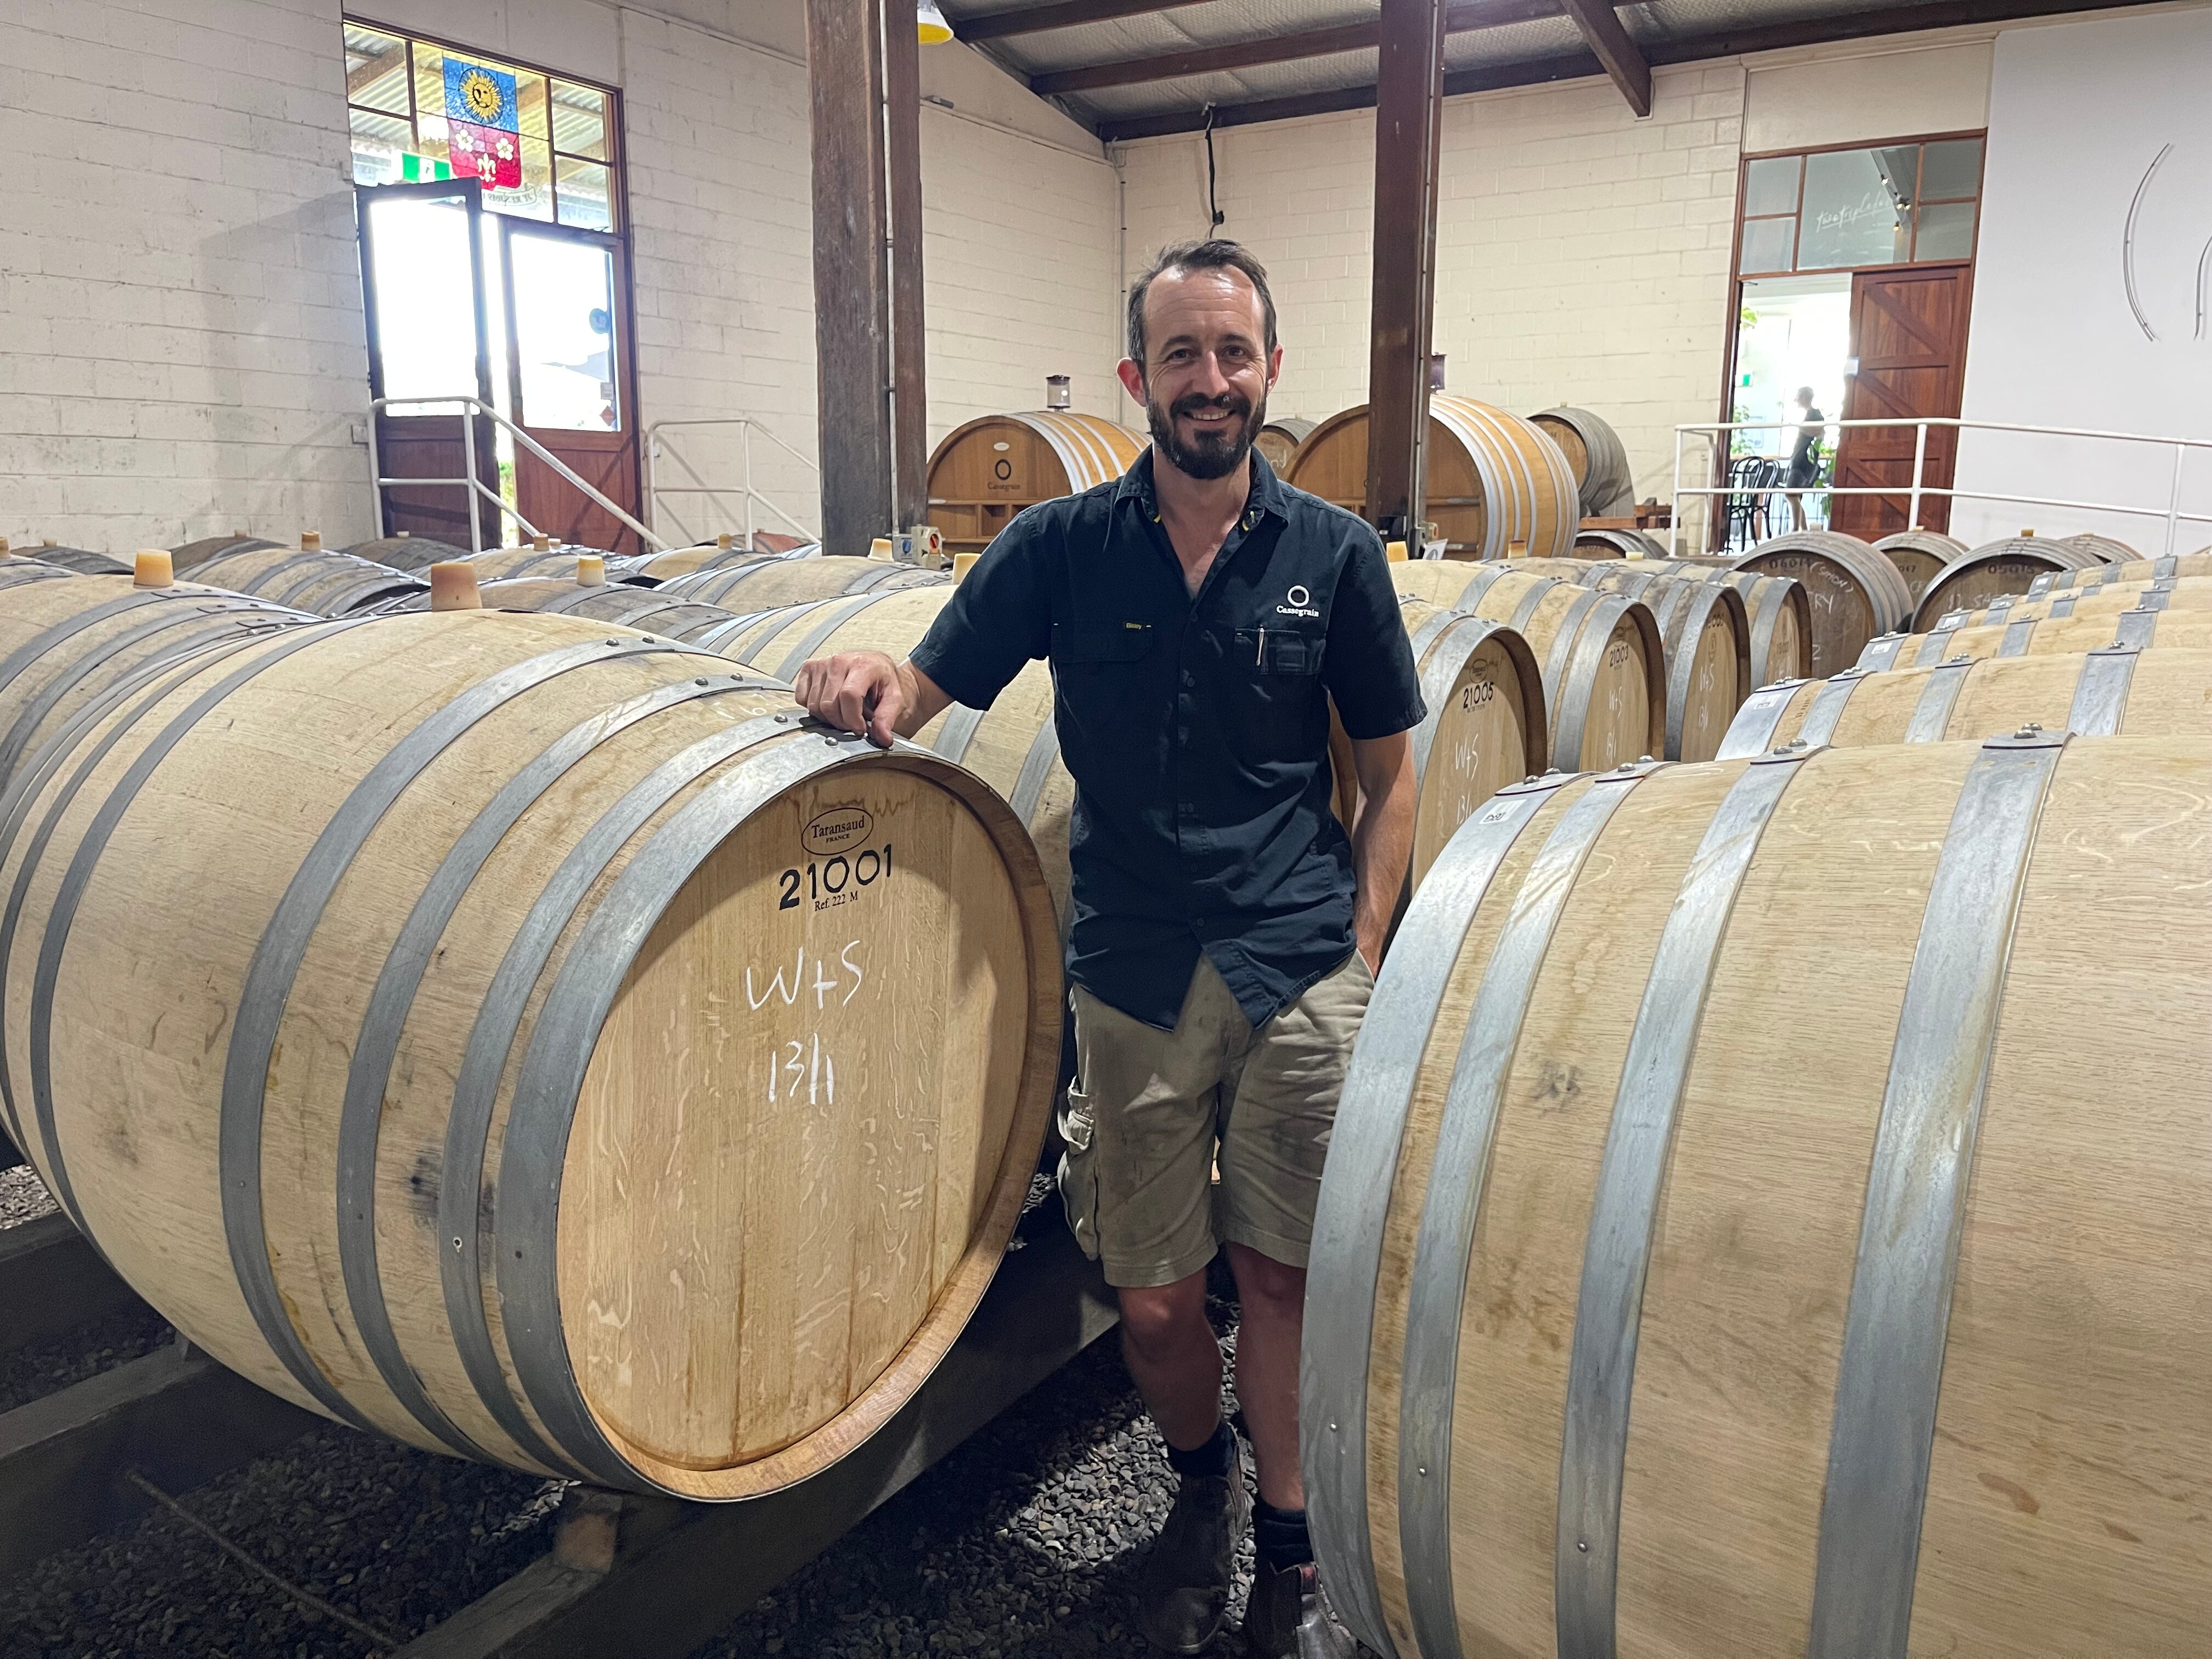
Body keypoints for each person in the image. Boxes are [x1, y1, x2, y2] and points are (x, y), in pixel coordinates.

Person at [792, 239, 1423, 1658]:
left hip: (1296, 960)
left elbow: (1389, 780)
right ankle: (1196, 1488)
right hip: (1132, 962)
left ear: (1271, 371)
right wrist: (855, 676)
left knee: (1280, 1277)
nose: (1212, 382)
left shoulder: (1337, 558)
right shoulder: (1061, 549)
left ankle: (1286, 1542)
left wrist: (1363, 953)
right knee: (1149, 1299)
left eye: (1235, 353)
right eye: (1184, 357)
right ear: (1142, 379)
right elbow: (928, 682)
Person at [1783, 384, 1826, 531]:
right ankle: (1803, 529)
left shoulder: (1815, 415)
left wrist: (1800, 428)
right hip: (1800, 457)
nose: (1796, 399)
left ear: (1805, 397)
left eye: (1798, 396)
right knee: (1794, 495)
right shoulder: (1810, 414)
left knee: (1792, 494)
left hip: (1803, 459)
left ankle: (1796, 530)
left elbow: (1819, 433)